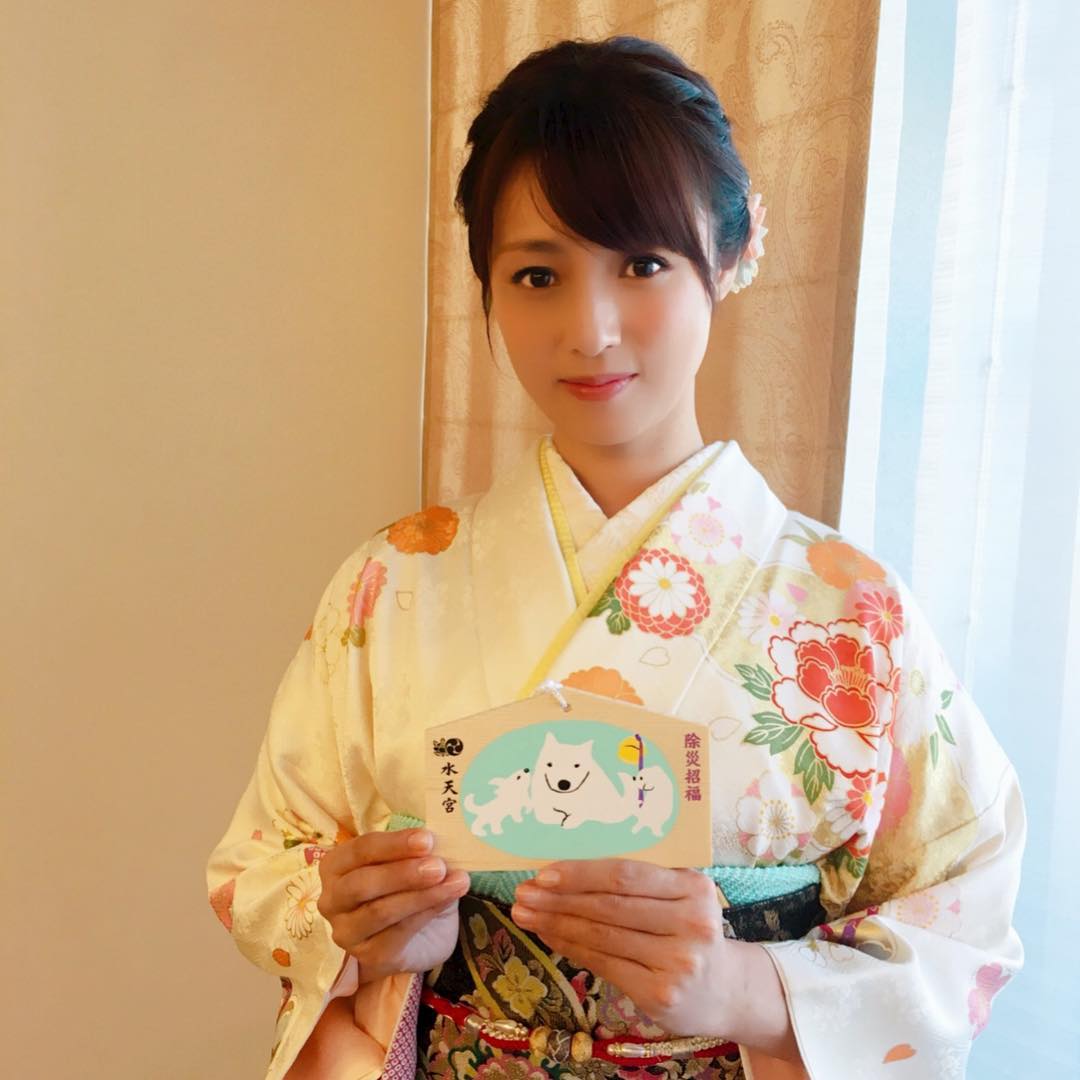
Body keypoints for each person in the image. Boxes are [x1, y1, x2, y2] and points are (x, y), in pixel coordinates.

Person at [206, 35, 1024, 1080]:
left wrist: (742, 987)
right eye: (537, 274)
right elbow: (261, 860)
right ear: (487, 285)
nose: (589, 330)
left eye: (642, 264)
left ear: (730, 254)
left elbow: (968, 911)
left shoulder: (853, 615)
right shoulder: (392, 584)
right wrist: (355, 925)